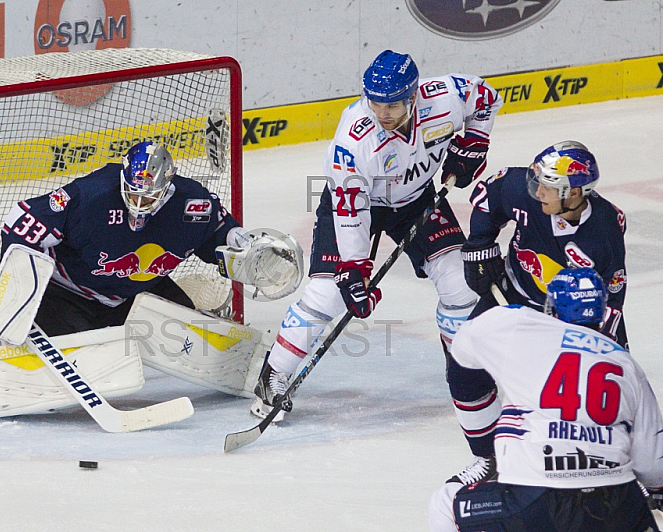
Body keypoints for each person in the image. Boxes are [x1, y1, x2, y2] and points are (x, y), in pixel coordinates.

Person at [250, 50, 503, 421]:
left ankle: (464, 373)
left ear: (414, 95)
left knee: (460, 284)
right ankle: (274, 376)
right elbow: (351, 208)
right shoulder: (353, 141)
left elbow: (487, 98)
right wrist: (354, 269)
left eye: (392, 104)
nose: (382, 113)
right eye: (375, 103)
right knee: (329, 294)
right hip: (356, 202)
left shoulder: (447, 97)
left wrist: (476, 142)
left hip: (416, 200)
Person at [447, 141, 629, 484]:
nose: (537, 191)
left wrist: (598, 340)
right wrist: (479, 244)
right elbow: (492, 194)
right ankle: (489, 459)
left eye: (548, 186)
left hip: (571, 318)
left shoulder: (604, 230)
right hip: (513, 295)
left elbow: (613, 296)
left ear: (574, 192)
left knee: (605, 391)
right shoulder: (524, 190)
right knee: (463, 370)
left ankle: (620, 465)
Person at [428, 268, 663, 532]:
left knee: (444, 503)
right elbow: (654, 468)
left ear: (551, 306)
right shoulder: (626, 363)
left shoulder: (519, 328)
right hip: (616, 502)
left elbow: (463, 346)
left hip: (535, 498)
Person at [0, 140, 273, 337]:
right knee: (82, 347)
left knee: (192, 331)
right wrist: (16, 287)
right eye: (133, 192)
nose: (139, 202)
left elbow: (216, 232)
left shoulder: (192, 203)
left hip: (135, 294)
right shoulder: (90, 196)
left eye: (149, 195)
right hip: (70, 294)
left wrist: (237, 239)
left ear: (167, 188)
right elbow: (19, 224)